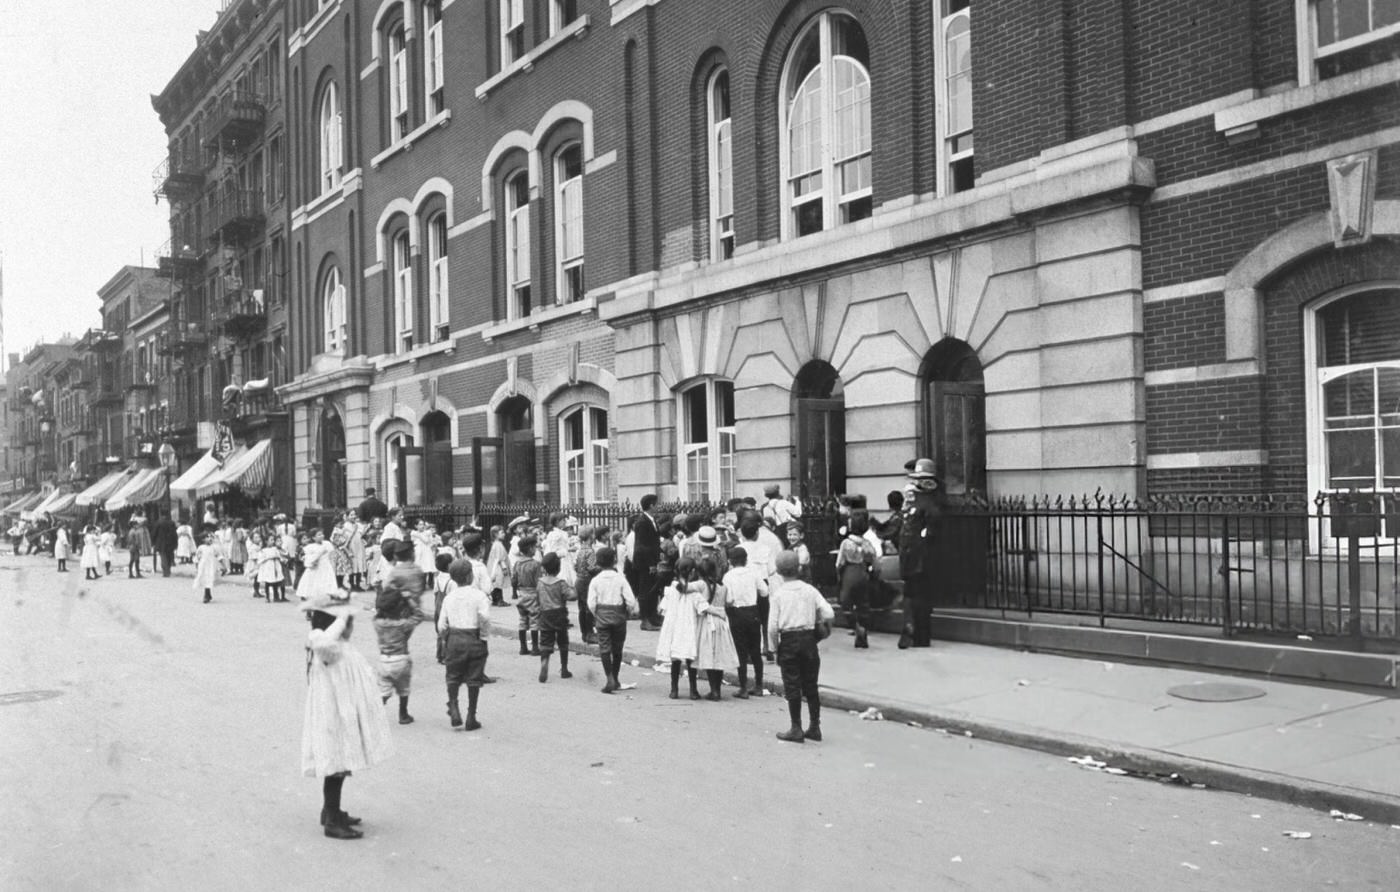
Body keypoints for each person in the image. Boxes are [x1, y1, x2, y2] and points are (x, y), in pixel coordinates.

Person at [301, 590, 394, 839]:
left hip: (342, 713)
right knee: (336, 764)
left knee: (340, 765)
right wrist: (341, 619)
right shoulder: (322, 642)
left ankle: (331, 810)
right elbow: (324, 644)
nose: (351, 627)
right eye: (347, 623)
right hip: (333, 716)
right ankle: (331, 819)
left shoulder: (339, 646)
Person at [768, 549, 834, 743]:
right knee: (811, 685)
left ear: (779, 572)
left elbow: (772, 626)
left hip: (788, 641)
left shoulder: (779, 595)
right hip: (808, 640)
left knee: (792, 685)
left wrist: (773, 647)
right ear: (798, 568)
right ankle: (815, 726)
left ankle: (796, 727)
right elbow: (829, 613)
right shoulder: (810, 590)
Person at [437, 559, 492, 731]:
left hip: (454, 638)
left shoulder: (449, 598)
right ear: (470, 575)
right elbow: (485, 618)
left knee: (452, 676)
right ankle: (471, 716)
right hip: (474, 637)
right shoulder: (479, 596)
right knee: (474, 678)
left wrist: (446, 638)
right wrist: (483, 637)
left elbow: (441, 625)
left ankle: (453, 706)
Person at [898, 458, 944, 649]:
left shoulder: (929, 505)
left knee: (920, 600)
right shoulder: (916, 503)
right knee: (913, 597)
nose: (917, 483)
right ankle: (913, 632)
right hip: (912, 560)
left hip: (921, 561)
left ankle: (920, 636)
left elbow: (929, 535)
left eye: (922, 479)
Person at [373, 572, 426, 726]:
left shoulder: (378, 623)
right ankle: (403, 714)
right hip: (401, 659)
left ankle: (373, 713)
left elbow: (378, 614)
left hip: (384, 660)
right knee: (404, 689)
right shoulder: (403, 624)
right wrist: (409, 599)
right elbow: (419, 615)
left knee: (383, 690)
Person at [586, 546, 637, 694]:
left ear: (598, 562)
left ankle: (609, 678)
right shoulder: (621, 579)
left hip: (602, 617)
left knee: (604, 648)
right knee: (617, 648)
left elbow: (591, 603)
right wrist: (627, 611)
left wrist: (597, 613)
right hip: (619, 617)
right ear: (614, 560)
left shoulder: (595, 581)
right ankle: (615, 677)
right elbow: (631, 601)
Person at [656, 557, 705, 700]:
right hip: (689, 626)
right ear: (693, 572)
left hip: (674, 627)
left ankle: (674, 689)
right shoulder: (694, 592)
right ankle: (693, 690)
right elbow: (702, 608)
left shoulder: (671, 590)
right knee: (690, 660)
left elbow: (662, 609)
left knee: (675, 660)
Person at [722, 546, 767, 698]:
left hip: (737, 614)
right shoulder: (754, 573)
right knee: (755, 651)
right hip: (753, 612)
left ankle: (743, 687)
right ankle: (759, 685)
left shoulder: (728, 576)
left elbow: (727, 599)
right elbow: (764, 591)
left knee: (740, 651)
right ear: (746, 560)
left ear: (730, 561)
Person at [693, 557, 739, 700]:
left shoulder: (702, 585)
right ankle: (717, 689)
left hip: (707, 622)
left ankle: (713, 690)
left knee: (708, 655)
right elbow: (730, 601)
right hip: (721, 623)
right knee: (718, 656)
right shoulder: (723, 587)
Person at [836, 510, 877, 649]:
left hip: (849, 571)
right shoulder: (867, 543)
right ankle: (863, 627)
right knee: (863, 603)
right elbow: (873, 558)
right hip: (863, 571)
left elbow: (839, 562)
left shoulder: (846, 543)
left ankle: (855, 625)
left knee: (846, 601)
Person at [535, 552, 574, 683]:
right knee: (563, 642)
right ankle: (564, 669)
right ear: (558, 568)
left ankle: (544, 661)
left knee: (545, 642)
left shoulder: (540, 582)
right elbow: (571, 596)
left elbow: (537, 598)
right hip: (559, 614)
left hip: (545, 615)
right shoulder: (561, 583)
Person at [629, 494, 662, 630]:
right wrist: (651, 564)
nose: (658, 506)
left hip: (652, 560)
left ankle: (653, 616)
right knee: (645, 591)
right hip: (645, 563)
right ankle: (645, 619)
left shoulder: (652, 520)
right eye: (657, 504)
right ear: (651, 505)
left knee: (653, 590)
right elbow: (642, 546)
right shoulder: (642, 522)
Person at [512, 535, 543, 656]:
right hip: (533, 594)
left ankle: (523, 647)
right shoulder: (536, 564)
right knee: (535, 620)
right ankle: (535, 647)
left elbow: (513, 580)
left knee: (522, 620)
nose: (535, 549)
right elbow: (538, 582)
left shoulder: (517, 564)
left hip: (522, 594)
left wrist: (515, 592)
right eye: (534, 547)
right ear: (530, 549)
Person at [572, 525, 600, 645]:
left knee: (581, 609)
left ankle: (584, 633)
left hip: (579, 580)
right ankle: (589, 633)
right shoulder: (590, 551)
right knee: (588, 609)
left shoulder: (580, 550)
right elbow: (592, 568)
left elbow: (575, 565)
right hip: (587, 581)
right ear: (590, 536)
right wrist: (601, 568)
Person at [297, 528, 339, 603]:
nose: (322, 536)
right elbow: (309, 561)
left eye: (322, 534)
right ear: (313, 537)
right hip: (316, 569)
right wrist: (319, 554)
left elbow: (332, 555)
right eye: (319, 535)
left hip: (326, 568)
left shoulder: (327, 544)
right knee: (314, 587)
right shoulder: (310, 547)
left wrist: (333, 566)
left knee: (329, 585)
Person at [256, 534, 288, 602]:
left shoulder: (275, 549)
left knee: (275, 582)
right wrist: (268, 558)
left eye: (273, 540)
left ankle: (276, 597)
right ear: (266, 541)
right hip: (268, 567)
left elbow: (279, 556)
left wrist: (283, 560)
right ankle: (267, 597)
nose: (273, 541)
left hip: (275, 566)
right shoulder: (263, 550)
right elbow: (260, 560)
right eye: (271, 540)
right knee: (268, 583)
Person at [193, 531, 220, 604]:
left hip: (211, 566)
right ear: (203, 539)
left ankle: (208, 594)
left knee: (209, 579)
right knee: (205, 579)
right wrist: (197, 568)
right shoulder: (201, 548)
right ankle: (206, 595)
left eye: (211, 537)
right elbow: (197, 558)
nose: (210, 539)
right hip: (204, 566)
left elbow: (218, 556)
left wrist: (223, 565)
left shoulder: (214, 547)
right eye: (207, 537)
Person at [486, 524, 510, 607]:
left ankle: (495, 600)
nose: (504, 534)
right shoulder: (498, 545)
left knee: (496, 584)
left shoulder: (496, 544)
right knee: (499, 583)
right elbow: (500, 558)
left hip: (494, 566)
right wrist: (504, 568)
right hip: (498, 567)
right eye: (502, 532)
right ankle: (500, 600)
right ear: (496, 534)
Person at [152, 513, 178, 577]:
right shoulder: (172, 523)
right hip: (170, 542)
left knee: (163, 557)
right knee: (169, 556)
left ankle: (165, 572)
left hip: (161, 543)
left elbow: (154, 533)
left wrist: (153, 542)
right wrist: (175, 543)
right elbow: (174, 533)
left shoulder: (159, 523)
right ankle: (168, 570)